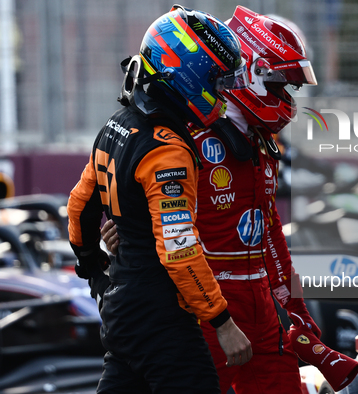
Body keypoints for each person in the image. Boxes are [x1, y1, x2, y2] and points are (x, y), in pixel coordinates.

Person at [102, 6, 358, 394]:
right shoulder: (184, 137)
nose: (285, 96)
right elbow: (122, 202)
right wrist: (116, 230)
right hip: (203, 312)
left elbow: (270, 234)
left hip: (262, 310)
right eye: (279, 84)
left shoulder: (261, 143)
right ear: (253, 75)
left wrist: (297, 312)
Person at [67, 5, 252, 393]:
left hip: (121, 315)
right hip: (161, 322)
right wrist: (223, 322)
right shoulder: (168, 152)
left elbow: (79, 207)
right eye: (215, 80)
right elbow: (179, 249)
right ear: (187, 76)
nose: (220, 92)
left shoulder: (115, 126)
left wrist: (95, 271)